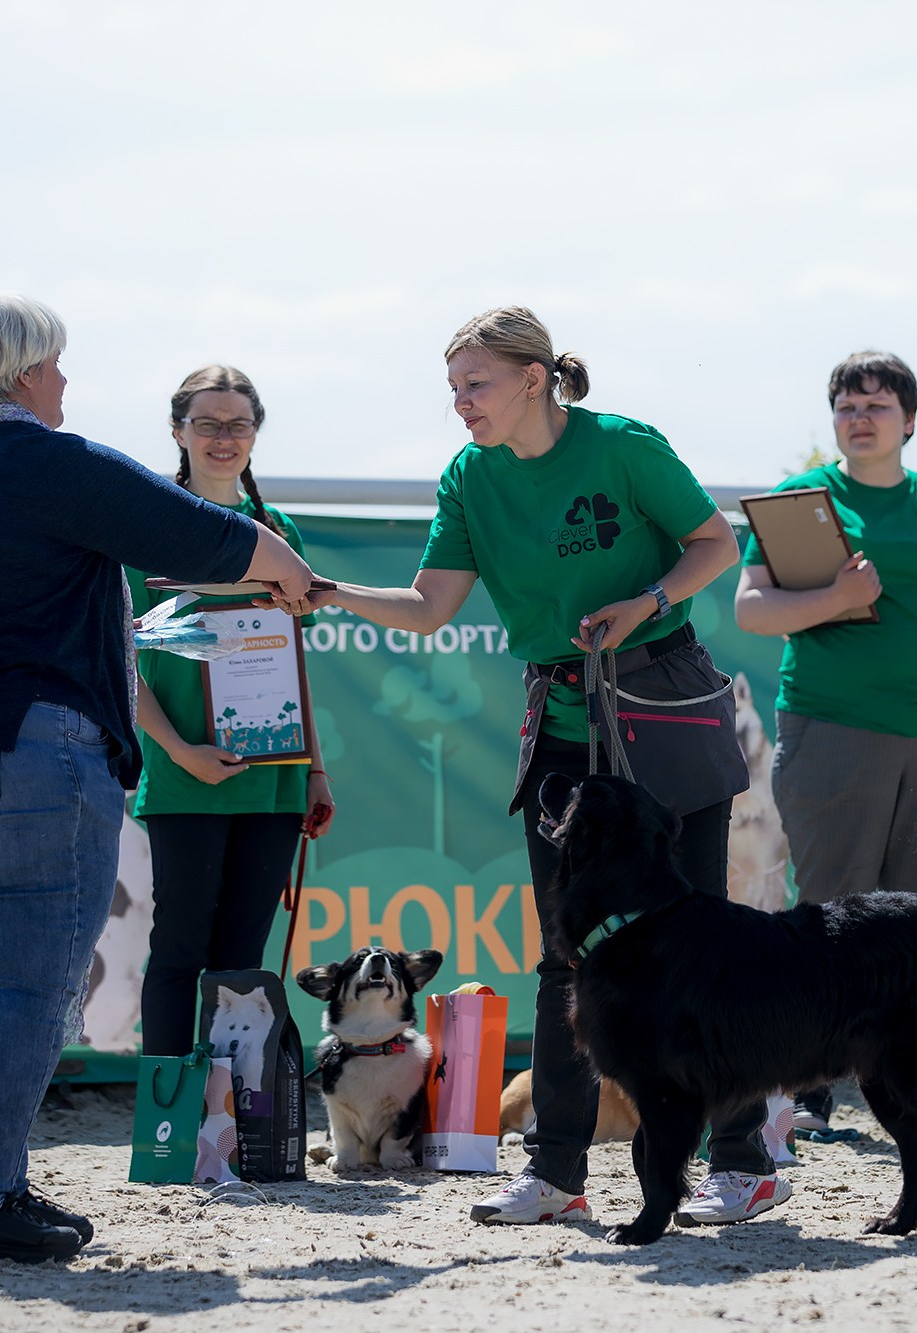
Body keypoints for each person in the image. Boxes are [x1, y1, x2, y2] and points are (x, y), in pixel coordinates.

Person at [0, 294, 314, 1269]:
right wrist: (290, 575)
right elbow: (212, 537)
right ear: (24, 372)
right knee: (20, 994)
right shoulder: (53, 461)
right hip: (19, 751)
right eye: (55, 364)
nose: (64, 380)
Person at [309, 306, 782, 1228]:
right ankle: (557, 1172)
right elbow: (427, 605)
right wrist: (329, 593)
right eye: (452, 389)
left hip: (662, 703)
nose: (461, 405)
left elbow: (717, 543)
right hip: (562, 725)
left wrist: (646, 601)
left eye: (474, 384)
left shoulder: (624, 446)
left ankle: (745, 1163)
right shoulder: (468, 478)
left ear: (534, 378)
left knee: (701, 952)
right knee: (569, 958)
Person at [733, 350, 917, 1133]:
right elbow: (751, 608)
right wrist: (837, 596)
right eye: (847, 404)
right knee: (827, 918)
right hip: (832, 731)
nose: (860, 416)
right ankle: (806, 1090)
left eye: (877, 404)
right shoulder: (798, 501)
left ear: (908, 419)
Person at [127, 366, 334, 1057]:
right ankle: (168, 1123)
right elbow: (116, 662)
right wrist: (180, 750)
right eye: (207, 423)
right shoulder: (142, 530)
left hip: (273, 778)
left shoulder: (278, 532)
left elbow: (294, 658)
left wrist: (314, 768)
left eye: (238, 423)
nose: (223, 438)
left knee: (242, 959)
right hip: (184, 774)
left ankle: (233, 1120)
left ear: (255, 433)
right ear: (178, 430)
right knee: (180, 947)